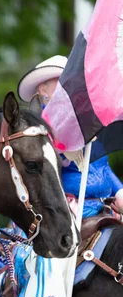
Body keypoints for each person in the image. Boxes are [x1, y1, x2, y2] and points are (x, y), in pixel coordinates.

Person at [17, 55, 123, 218]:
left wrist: (119, 190)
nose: (69, 87)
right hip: (66, 209)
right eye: (61, 81)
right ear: (43, 90)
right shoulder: (37, 130)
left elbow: (103, 166)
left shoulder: (89, 121)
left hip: (105, 205)